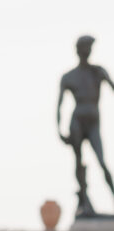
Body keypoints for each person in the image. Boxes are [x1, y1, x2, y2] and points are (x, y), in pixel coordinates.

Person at [57, 35, 114, 216]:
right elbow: (58, 106)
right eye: (86, 47)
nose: (88, 50)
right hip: (77, 122)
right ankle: (83, 200)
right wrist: (59, 130)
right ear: (79, 50)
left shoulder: (98, 72)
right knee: (78, 162)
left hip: (92, 121)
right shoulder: (69, 77)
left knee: (102, 162)